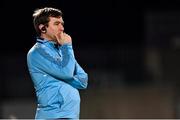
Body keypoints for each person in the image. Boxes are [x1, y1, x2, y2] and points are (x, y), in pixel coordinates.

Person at [27, 7, 88, 119]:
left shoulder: (61, 51)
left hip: (70, 116)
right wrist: (67, 47)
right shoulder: (37, 52)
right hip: (53, 116)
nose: (62, 28)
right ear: (43, 28)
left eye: (62, 24)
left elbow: (83, 80)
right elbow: (67, 73)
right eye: (56, 24)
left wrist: (65, 51)